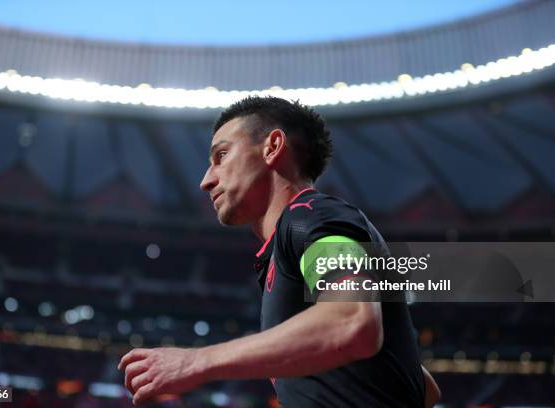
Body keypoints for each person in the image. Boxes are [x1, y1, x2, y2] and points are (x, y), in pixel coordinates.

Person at [119, 96, 440, 407]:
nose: (206, 180)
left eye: (221, 156)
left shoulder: (312, 215)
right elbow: (423, 388)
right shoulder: (293, 242)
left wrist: (197, 361)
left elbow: (352, 321)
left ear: (272, 147)